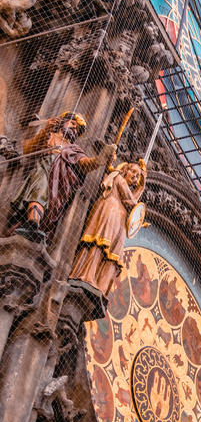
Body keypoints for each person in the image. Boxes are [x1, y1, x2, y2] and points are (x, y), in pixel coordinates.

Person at [9, 112, 116, 243]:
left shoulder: (74, 148)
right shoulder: (49, 136)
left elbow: (84, 164)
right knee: (41, 187)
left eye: (77, 129)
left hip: (60, 180)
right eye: (72, 123)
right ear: (61, 122)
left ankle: (37, 225)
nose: (74, 129)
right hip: (44, 168)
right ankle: (32, 223)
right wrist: (46, 129)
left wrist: (99, 160)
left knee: (49, 197)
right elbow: (28, 149)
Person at [70, 159, 146, 297]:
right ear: (125, 170)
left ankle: (100, 283)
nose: (135, 176)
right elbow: (132, 202)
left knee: (111, 252)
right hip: (111, 210)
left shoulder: (123, 188)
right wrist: (141, 188)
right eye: (133, 172)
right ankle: (87, 275)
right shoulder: (118, 178)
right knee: (100, 243)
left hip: (119, 218)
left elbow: (131, 203)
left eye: (138, 176)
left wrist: (140, 188)